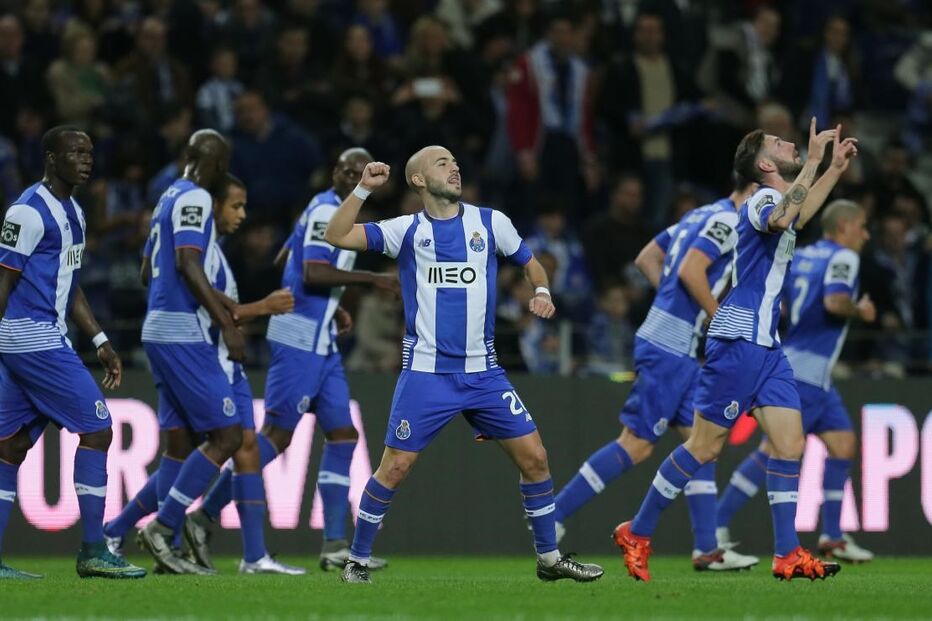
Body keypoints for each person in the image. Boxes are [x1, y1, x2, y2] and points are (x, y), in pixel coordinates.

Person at [324, 145, 604, 584]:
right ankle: (356, 561)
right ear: (418, 180)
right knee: (394, 468)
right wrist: (362, 188)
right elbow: (337, 235)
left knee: (536, 458)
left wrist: (543, 292)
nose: (454, 167)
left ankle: (549, 560)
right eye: (442, 163)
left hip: (484, 373)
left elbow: (532, 265)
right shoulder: (406, 231)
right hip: (426, 373)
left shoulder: (491, 222)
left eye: (456, 161)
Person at [613, 119, 858, 582]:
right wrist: (811, 164)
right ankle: (637, 531)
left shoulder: (781, 198)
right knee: (704, 446)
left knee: (790, 444)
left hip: (767, 346)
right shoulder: (761, 199)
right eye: (780, 143)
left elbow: (799, 215)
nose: (790, 144)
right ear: (765, 165)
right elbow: (786, 215)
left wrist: (832, 169)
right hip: (738, 339)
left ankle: (787, 554)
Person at [187, 148, 397, 571]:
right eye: (345, 169)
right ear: (336, 173)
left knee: (343, 436)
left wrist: (332, 304)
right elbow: (313, 272)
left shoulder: (331, 210)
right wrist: (371, 278)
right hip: (299, 342)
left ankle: (335, 543)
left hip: (322, 345)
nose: (352, 175)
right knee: (275, 438)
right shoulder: (325, 211)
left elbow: (289, 257)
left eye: (361, 171)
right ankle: (202, 517)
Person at [554, 175, 759, 572]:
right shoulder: (729, 221)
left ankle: (706, 549)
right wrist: (715, 318)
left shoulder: (698, 214)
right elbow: (690, 270)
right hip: (669, 346)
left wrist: (673, 302)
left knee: (703, 443)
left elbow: (648, 257)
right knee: (637, 444)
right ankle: (553, 514)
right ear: (752, 190)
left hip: (674, 343)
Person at [104, 174, 303, 575]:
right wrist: (261, 307)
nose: (241, 215)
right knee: (231, 441)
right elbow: (215, 304)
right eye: (235, 206)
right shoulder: (200, 249)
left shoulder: (210, 249)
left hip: (207, 355)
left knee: (193, 450)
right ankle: (173, 529)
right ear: (213, 206)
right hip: (205, 356)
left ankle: (125, 530)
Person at [0, 126, 145, 579]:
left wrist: (100, 341)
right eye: (75, 152)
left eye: (90, 152)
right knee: (99, 429)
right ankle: (93, 550)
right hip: (32, 337)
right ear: (49, 158)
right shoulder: (27, 211)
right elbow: (2, 281)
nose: (86, 159)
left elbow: (70, 286)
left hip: (40, 336)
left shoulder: (75, 213)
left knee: (10, 447)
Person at [716, 199, 876, 563]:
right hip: (808, 370)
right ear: (843, 227)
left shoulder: (803, 255)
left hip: (802, 363)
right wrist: (861, 310)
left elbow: (784, 305)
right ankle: (718, 523)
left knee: (843, 444)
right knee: (772, 451)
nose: (866, 235)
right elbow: (836, 302)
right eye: (862, 226)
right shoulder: (844, 258)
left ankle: (833, 536)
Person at [134, 130, 247, 574]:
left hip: (156, 326)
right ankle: (163, 527)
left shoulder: (166, 199)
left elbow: (148, 269)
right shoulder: (198, 198)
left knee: (180, 444)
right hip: (182, 332)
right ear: (216, 166)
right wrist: (226, 324)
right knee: (228, 437)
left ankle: (167, 550)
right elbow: (188, 262)